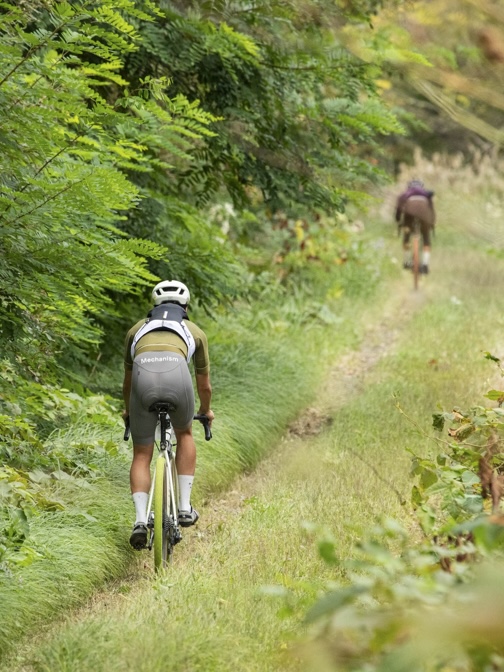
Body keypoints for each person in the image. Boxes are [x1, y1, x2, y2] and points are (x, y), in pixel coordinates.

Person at [122, 280, 214, 550]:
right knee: (184, 433)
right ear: (186, 306)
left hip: (142, 381)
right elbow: (204, 386)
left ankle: (140, 520)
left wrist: (128, 410)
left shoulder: (136, 330)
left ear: (155, 304)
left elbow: (127, 383)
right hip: (177, 378)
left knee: (142, 454)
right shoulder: (194, 331)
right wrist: (205, 410)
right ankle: (184, 507)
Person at [395, 179, 436, 274]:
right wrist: (431, 223)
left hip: (409, 214)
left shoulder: (406, 194)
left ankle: (407, 262)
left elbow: (399, 209)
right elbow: (432, 211)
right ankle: (425, 265)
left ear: (409, 187)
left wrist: (398, 219)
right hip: (424, 214)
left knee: (407, 236)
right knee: (426, 238)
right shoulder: (426, 195)